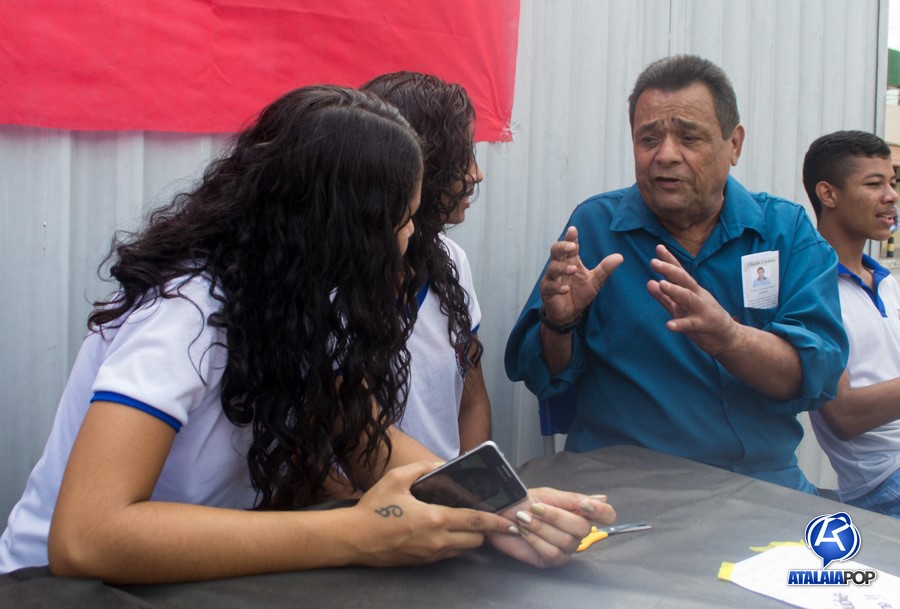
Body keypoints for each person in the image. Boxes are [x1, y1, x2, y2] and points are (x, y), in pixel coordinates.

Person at [0, 86, 615, 583]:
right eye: (402, 219)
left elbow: (366, 440)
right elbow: (86, 537)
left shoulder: (309, 300)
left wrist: (504, 509)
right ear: (341, 230)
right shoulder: (185, 311)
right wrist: (354, 534)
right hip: (54, 590)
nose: (410, 238)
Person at [505, 55, 847, 492]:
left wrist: (729, 339)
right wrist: (560, 323)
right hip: (624, 487)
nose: (665, 155)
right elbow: (545, 376)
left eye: (689, 137)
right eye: (648, 139)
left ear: (734, 144)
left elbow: (816, 372)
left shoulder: (784, 231)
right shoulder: (595, 228)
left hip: (760, 486)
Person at [361, 71, 490, 459]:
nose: (476, 174)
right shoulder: (337, 282)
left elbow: (472, 403)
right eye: (460, 157)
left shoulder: (452, 261)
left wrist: (472, 484)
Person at [803, 130, 900, 517]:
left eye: (892, 183)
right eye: (874, 184)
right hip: (885, 483)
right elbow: (843, 415)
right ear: (828, 194)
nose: (891, 196)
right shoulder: (811, 288)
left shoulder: (887, 282)